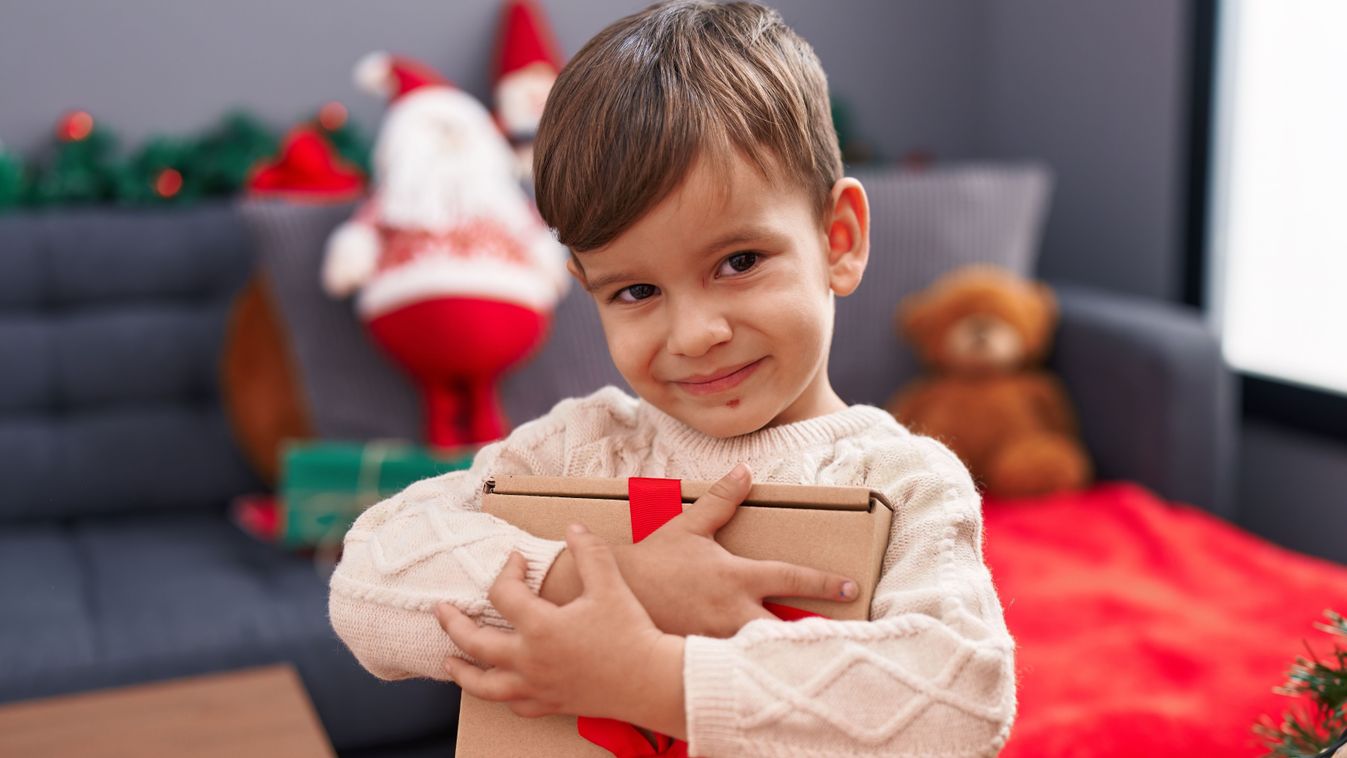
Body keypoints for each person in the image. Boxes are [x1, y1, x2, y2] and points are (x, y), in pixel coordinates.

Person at [328, 2, 1016, 755]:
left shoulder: (902, 480)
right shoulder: (581, 447)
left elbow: (962, 701)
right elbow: (367, 578)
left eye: (739, 262)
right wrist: (598, 581)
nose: (695, 334)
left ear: (837, 240)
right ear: (587, 289)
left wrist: (650, 678)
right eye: (636, 292)